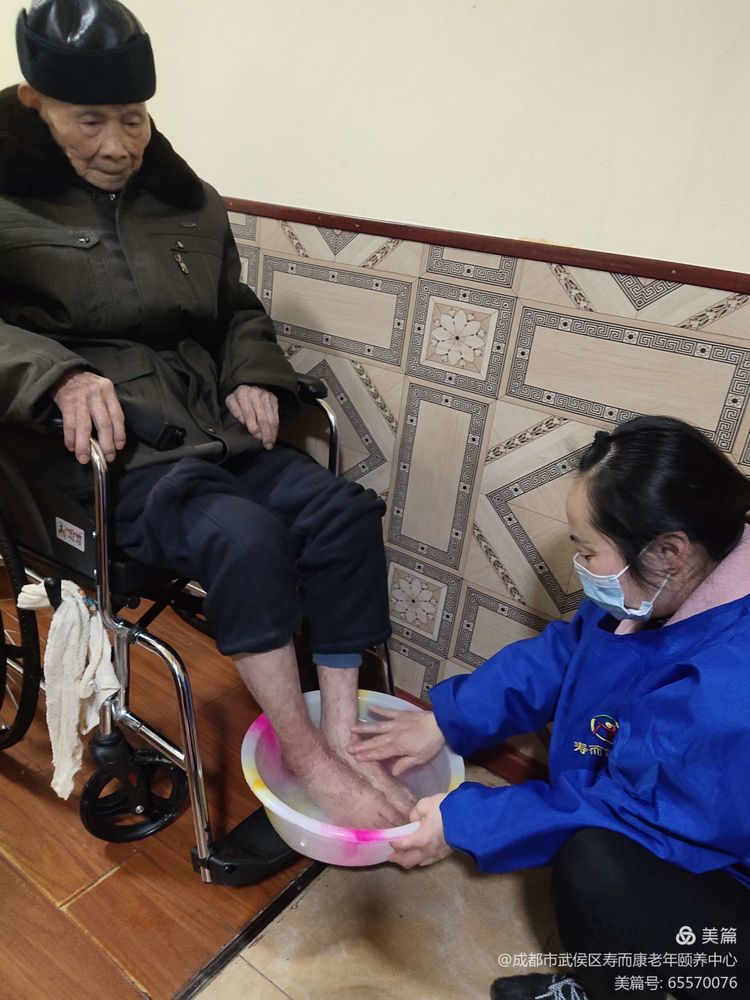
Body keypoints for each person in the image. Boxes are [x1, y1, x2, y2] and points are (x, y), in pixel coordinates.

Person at [0, 0, 415, 831]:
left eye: (133, 118)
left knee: (342, 513)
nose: (118, 145)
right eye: (90, 121)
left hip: (210, 431)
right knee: (244, 539)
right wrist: (57, 374)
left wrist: (252, 371)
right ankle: (304, 755)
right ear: (35, 103)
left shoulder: (186, 201)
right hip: (100, 456)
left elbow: (236, 309)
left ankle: (340, 730)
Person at [350, 415, 750, 1000]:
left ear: (668, 551)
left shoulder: (727, 688)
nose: (580, 566)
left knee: (595, 865)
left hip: (725, 882)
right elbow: (564, 655)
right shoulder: (662, 589)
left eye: (588, 550)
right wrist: (447, 719)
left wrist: (465, 820)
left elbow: (639, 817)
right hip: (665, 825)